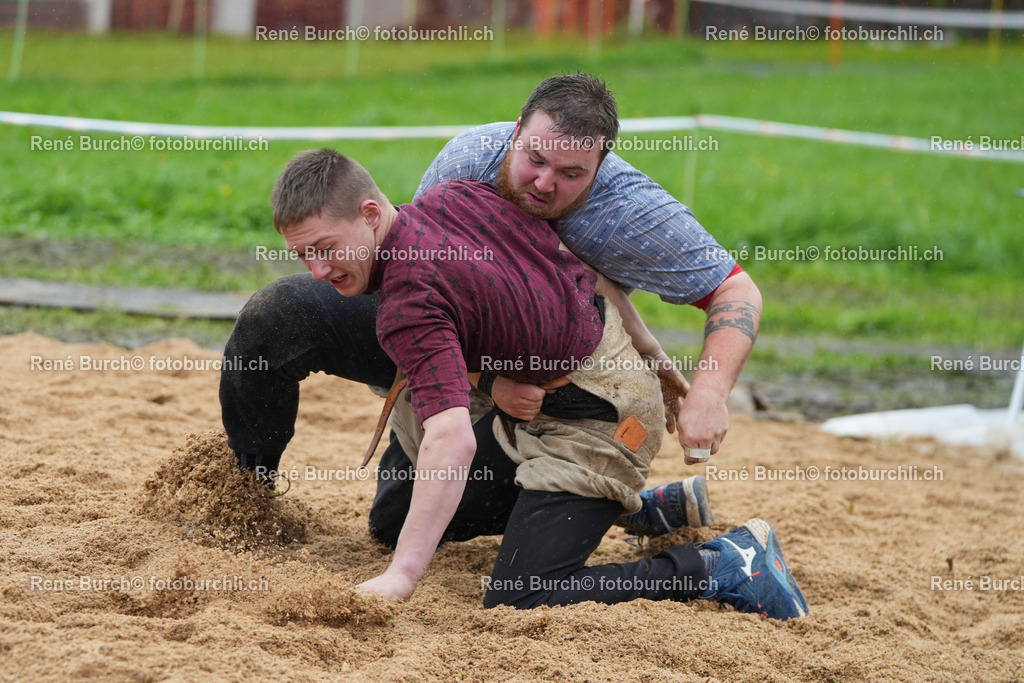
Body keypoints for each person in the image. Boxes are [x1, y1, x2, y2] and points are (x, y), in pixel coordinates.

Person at [267, 147, 808, 620]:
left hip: (603, 417)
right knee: (393, 520)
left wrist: (401, 579)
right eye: (302, 256)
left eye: (325, 248)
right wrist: (649, 350)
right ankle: (644, 508)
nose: (317, 271)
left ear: (369, 213)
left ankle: (722, 563)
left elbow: (450, 439)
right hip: (552, 396)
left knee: (523, 595)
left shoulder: (408, 305)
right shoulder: (453, 196)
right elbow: (571, 261)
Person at [220, 73, 758, 538]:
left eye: (572, 174)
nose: (545, 183)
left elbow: (736, 291)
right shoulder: (470, 157)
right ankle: (244, 498)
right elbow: (409, 287)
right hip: (455, 342)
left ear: (602, 163)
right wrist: (481, 381)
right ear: (515, 132)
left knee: (397, 520)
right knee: (280, 315)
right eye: (535, 158)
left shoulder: (633, 213)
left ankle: (611, 503)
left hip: (559, 370)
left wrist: (709, 391)